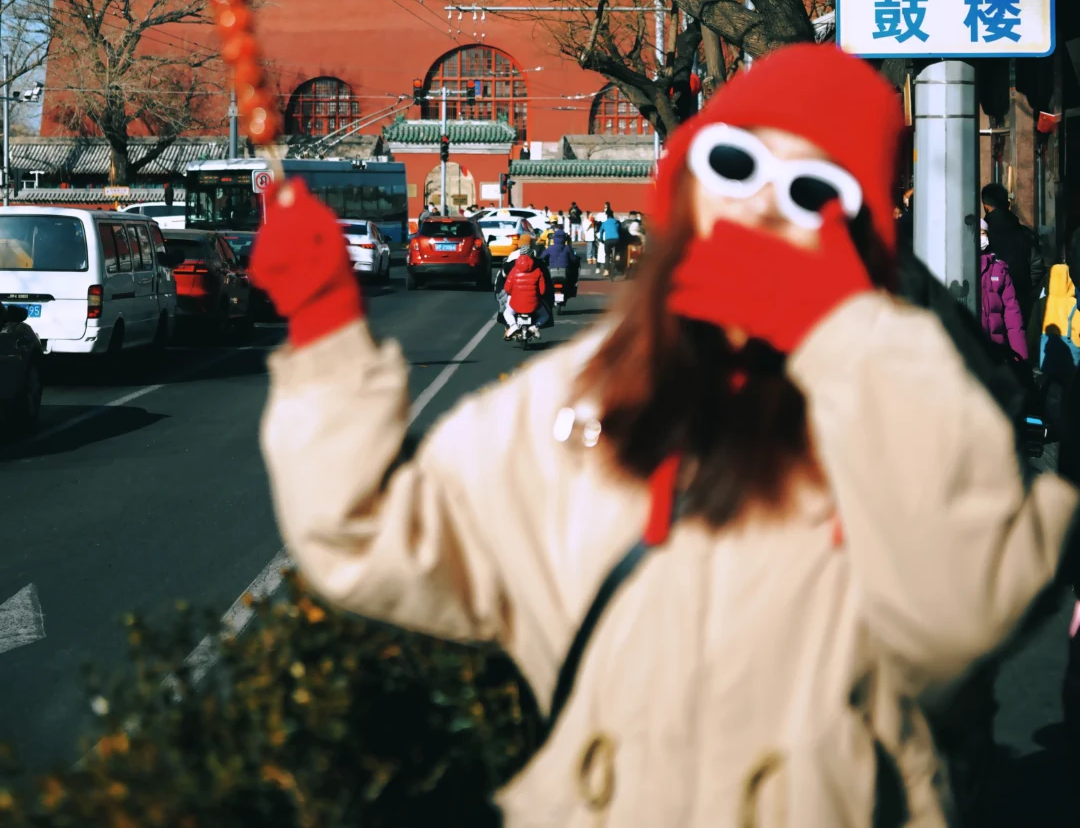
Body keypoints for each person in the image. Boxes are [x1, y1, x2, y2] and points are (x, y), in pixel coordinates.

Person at [253, 43, 1078, 828]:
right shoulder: (571, 397)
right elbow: (371, 533)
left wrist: (844, 325)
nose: (761, 203)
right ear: (683, 186)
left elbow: (962, 607)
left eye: (814, 193)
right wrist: (326, 330)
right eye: (735, 165)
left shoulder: (902, 399)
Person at [982, 181, 1044, 319]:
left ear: (985, 206)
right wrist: (1025, 286)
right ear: (1007, 204)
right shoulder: (1026, 234)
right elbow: (1037, 266)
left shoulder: (980, 236)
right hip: (1021, 298)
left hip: (989, 301)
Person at [980, 219, 1029, 365]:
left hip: (996, 350)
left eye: (983, 233)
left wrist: (1020, 358)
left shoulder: (999, 269)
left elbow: (1013, 316)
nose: (981, 237)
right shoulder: (959, 268)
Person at [502, 249, 550, 340]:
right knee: (545, 315)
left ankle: (513, 325)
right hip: (534, 304)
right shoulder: (538, 271)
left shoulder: (513, 271)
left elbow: (507, 288)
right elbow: (542, 290)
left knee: (507, 313)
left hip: (515, 303)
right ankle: (535, 327)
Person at [599, 209, 623, 276]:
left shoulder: (604, 223)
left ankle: (606, 271)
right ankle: (618, 255)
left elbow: (601, 232)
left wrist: (601, 240)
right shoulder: (616, 222)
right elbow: (619, 230)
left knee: (607, 255)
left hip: (608, 240)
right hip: (616, 239)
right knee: (618, 246)